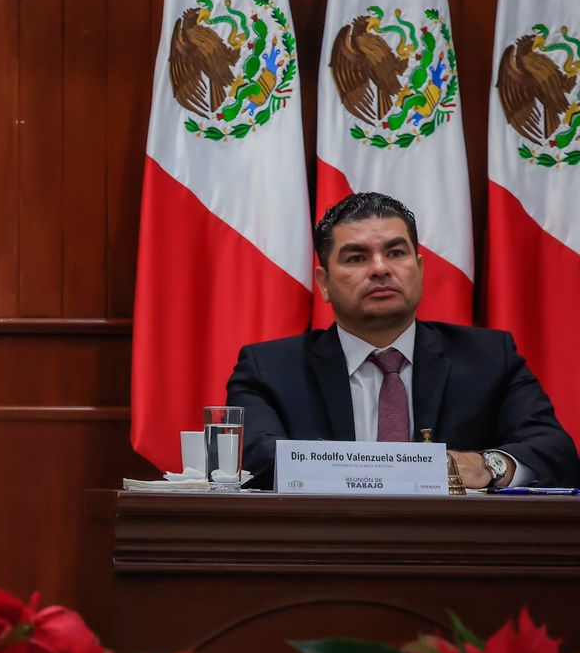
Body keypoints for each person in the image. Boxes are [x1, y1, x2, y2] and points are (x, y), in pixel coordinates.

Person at [231, 192, 579, 490]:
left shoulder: (488, 359)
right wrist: (383, 472)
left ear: (420, 268)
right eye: (357, 258)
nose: (380, 268)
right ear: (323, 283)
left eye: (396, 253)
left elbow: (554, 452)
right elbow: (258, 462)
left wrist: (487, 465)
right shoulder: (270, 370)